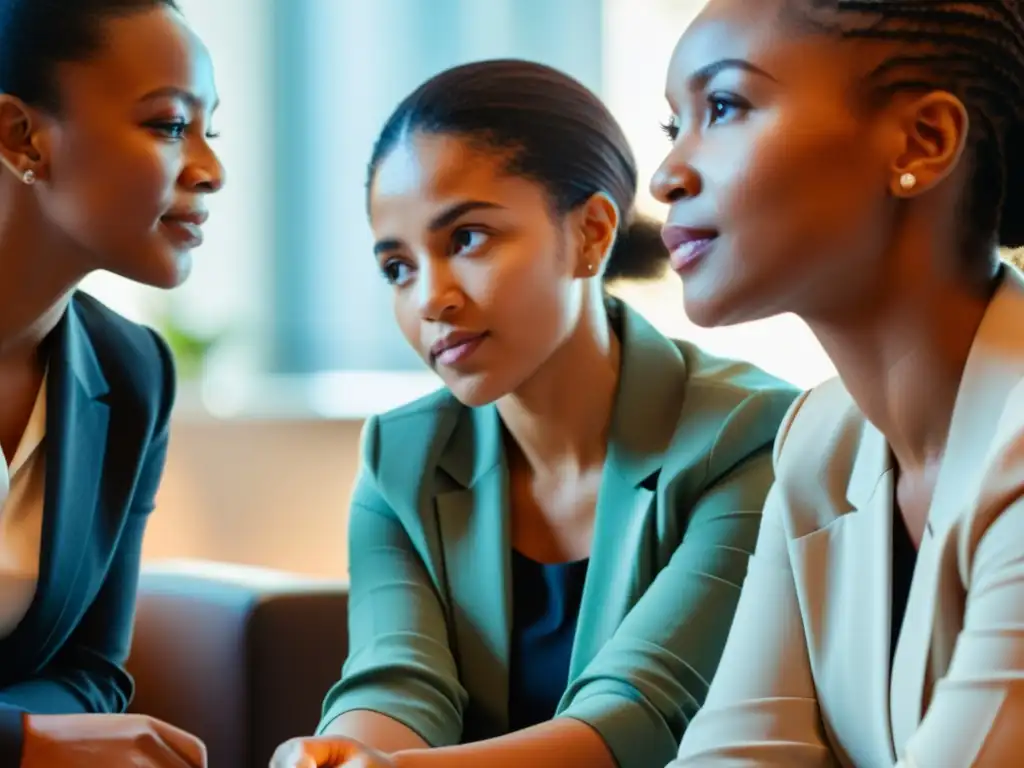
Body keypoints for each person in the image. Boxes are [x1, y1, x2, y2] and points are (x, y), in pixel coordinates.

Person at [271, 59, 798, 768]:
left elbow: (640, 715)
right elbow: (397, 680)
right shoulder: (400, 459)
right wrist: (337, 756)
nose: (430, 298)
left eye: (467, 238)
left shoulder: (748, 438)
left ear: (590, 233)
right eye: (397, 267)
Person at [650, 1, 1024, 766]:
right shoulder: (818, 440)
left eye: (724, 106)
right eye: (672, 125)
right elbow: (739, 751)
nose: (665, 176)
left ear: (924, 141)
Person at [0, 1, 224, 766]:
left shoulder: (133, 373)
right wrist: (18, 740)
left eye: (209, 130)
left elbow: (91, 671)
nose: (212, 170)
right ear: (21, 137)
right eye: (169, 125)